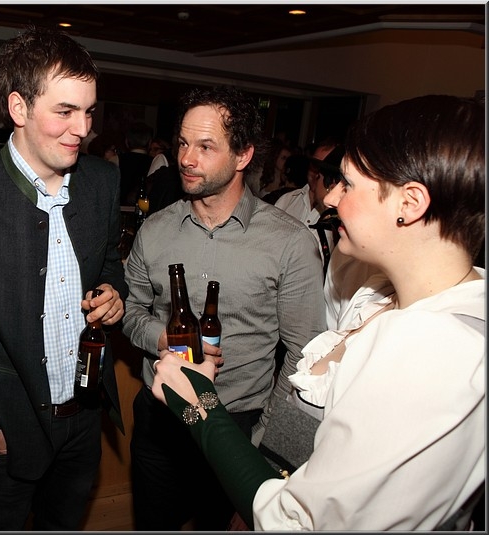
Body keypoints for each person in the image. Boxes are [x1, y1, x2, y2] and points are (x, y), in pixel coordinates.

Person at [151, 94, 485, 531]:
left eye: (347, 184)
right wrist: (262, 480)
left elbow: (299, 523)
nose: (330, 200)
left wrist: (200, 405)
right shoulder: (371, 294)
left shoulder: (436, 351)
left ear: (409, 203)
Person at [0, 26, 128, 531]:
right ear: (19, 107)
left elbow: (109, 265)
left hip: (85, 415)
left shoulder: (102, 181)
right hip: (7, 427)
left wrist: (114, 293)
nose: (82, 128)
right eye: (65, 111)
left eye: (89, 112)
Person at [122, 85, 325, 531]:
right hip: (160, 423)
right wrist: (161, 337)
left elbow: (305, 357)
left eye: (205, 146)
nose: (186, 158)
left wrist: (262, 447)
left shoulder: (289, 243)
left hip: (236, 426)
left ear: (243, 155)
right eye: (182, 143)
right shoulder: (155, 230)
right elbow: (132, 310)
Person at [274, 142, 342, 272]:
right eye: (315, 165)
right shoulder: (287, 200)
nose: (316, 173)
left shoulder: (340, 218)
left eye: (324, 170)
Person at [118, 121, 154, 205]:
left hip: (120, 208)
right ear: (150, 143)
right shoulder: (154, 162)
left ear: (126, 142)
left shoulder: (116, 160)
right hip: (144, 209)